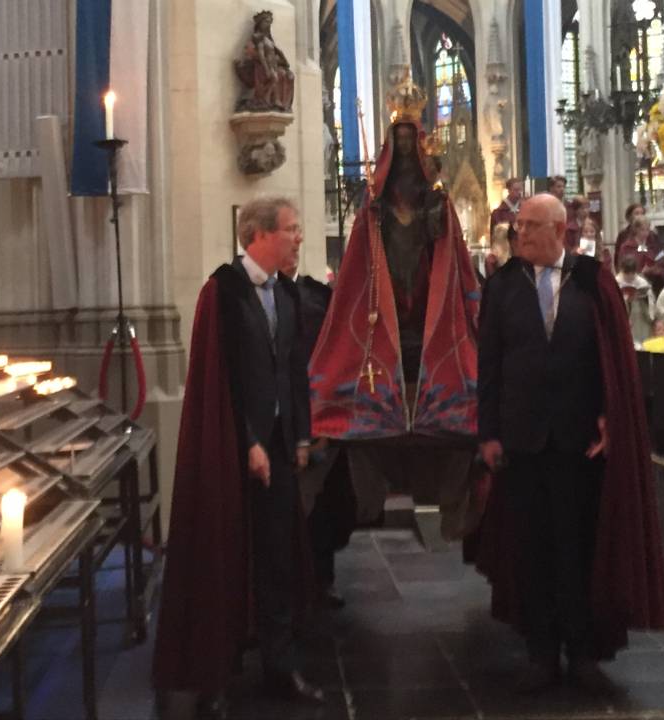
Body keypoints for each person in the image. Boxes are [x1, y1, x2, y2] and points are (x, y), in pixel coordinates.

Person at [476, 193, 664, 695]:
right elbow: (490, 367)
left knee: (578, 548)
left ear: (559, 230)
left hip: (578, 440)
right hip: (522, 441)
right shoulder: (501, 287)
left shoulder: (591, 280)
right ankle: (541, 652)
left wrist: (610, 418)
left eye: (529, 226)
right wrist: (489, 434)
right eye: (518, 226)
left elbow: (613, 359)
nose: (519, 234)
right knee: (534, 551)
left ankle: (582, 651)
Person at [154, 197, 324, 707]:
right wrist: (248, 441)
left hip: (279, 445)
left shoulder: (288, 296)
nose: (299, 238)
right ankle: (217, 675)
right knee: (225, 554)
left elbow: (293, 371)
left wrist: (298, 437)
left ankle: (279, 667)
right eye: (291, 230)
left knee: (276, 559)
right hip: (232, 448)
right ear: (260, 236)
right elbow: (220, 376)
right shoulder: (222, 292)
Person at [308, 96, 479, 532]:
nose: (404, 147)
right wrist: (377, 214)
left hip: (420, 266)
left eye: (410, 140)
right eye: (398, 139)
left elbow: (445, 245)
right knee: (392, 303)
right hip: (389, 267)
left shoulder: (432, 195)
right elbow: (360, 259)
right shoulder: (374, 200)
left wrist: (435, 211)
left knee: (420, 302)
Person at [284, 257, 356, 611]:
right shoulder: (251, 297)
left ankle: (322, 579)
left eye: (298, 233)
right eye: (288, 233)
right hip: (280, 417)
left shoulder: (318, 296)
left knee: (323, 507)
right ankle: (288, 585)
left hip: (320, 412)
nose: (295, 244)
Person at [616, 253, 655, 343]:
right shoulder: (616, 281)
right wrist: (625, 300)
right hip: (624, 318)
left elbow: (650, 300)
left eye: (632, 273)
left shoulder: (642, 282)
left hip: (640, 316)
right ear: (622, 269)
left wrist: (643, 297)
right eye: (627, 273)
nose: (630, 276)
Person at [618, 221, 664, 290]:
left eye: (647, 230)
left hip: (652, 280)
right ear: (636, 230)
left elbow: (656, 259)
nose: (645, 233)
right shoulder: (627, 246)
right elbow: (626, 263)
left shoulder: (650, 244)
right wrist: (642, 270)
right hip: (631, 279)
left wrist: (654, 268)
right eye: (642, 230)